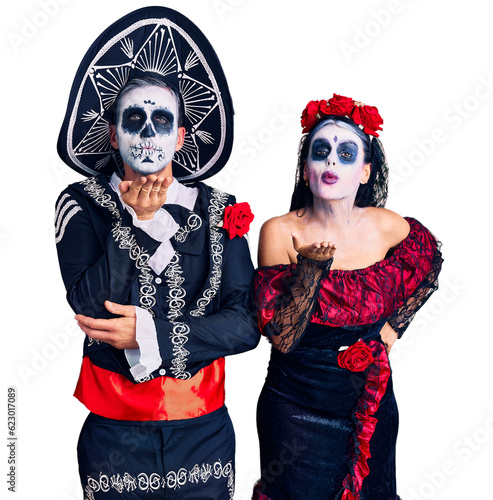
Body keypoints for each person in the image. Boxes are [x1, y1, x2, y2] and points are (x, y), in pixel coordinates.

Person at [54, 7, 259, 499]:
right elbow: (86, 305)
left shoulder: (220, 210)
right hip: (114, 435)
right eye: (134, 119)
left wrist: (150, 334)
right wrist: (140, 226)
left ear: (180, 136)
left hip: (204, 434)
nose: (148, 132)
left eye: (161, 120)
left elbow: (247, 324)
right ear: (113, 133)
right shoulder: (81, 204)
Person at [251, 94, 443, 499]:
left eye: (345, 152)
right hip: (295, 412)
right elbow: (283, 337)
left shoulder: (385, 225)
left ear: (365, 170)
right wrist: (310, 273)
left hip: (369, 407)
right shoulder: (279, 231)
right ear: (306, 170)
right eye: (321, 152)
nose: (331, 162)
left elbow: (428, 258)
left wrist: (392, 328)